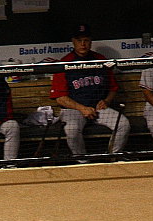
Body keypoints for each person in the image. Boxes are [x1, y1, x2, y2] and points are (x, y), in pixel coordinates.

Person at [50, 24, 130, 161]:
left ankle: (113, 157)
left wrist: (106, 101)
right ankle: (83, 161)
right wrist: (81, 108)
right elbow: (60, 98)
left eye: (86, 40)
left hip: (98, 108)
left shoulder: (100, 59)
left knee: (123, 124)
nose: (83, 44)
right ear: (73, 41)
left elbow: (113, 88)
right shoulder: (64, 63)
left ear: (91, 41)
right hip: (73, 110)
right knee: (72, 130)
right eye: (79, 40)